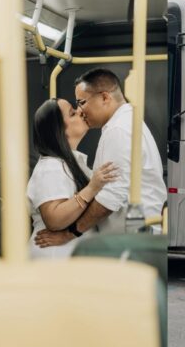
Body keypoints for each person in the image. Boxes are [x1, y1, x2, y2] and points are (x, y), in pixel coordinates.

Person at [34, 69, 167, 247]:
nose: (81, 111)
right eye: (74, 110)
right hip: (131, 234)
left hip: (133, 236)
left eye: (81, 103)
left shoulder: (118, 130)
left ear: (105, 97)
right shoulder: (123, 125)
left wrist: (70, 233)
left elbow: (110, 197)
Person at [28, 99, 118, 258]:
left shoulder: (72, 163)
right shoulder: (50, 167)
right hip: (54, 261)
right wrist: (92, 188)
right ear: (60, 130)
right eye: (72, 113)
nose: (80, 112)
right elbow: (54, 220)